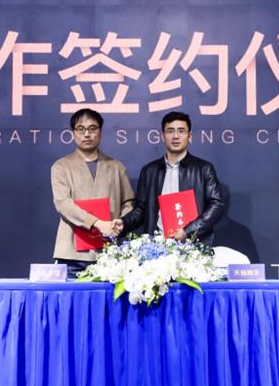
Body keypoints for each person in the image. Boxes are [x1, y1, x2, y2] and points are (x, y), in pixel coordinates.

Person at [51, 108, 134, 278]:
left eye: (92, 128)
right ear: (73, 133)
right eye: (81, 129)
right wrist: (96, 223)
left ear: (100, 132)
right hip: (72, 253)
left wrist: (120, 222)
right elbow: (63, 203)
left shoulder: (116, 167)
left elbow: (129, 202)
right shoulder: (61, 166)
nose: (87, 134)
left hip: (108, 250)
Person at [122, 111, 226, 245]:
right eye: (170, 131)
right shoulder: (149, 171)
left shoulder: (203, 169)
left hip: (192, 244)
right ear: (162, 136)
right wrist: (124, 223)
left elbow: (216, 205)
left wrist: (188, 230)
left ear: (189, 136)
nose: (176, 136)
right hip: (156, 246)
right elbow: (141, 210)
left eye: (181, 131)